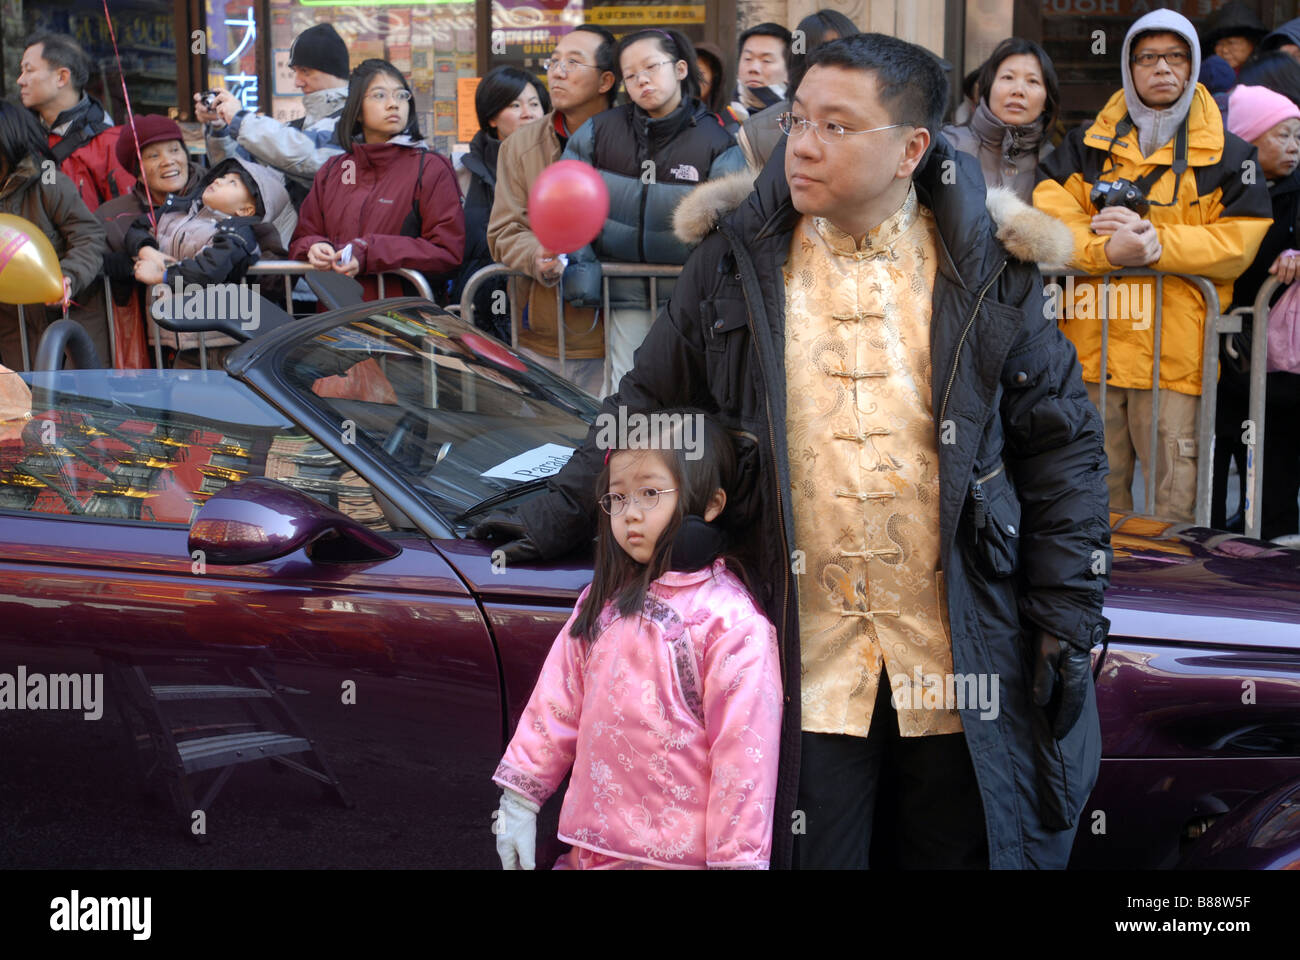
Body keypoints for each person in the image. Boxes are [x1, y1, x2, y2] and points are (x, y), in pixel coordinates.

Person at [474, 33, 1110, 870]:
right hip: (805, 652)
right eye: (800, 118)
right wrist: (555, 513)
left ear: (911, 150)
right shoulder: (736, 263)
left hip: (958, 650)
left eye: (838, 127)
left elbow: (1061, 448)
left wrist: (1065, 613)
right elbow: (647, 405)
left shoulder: (988, 270)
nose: (803, 142)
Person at [491, 411, 782, 870]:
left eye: (650, 493)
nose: (631, 514)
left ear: (710, 503)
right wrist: (519, 802)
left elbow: (744, 761)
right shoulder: (601, 601)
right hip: (588, 852)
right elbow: (556, 703)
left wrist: (737, 862)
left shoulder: (731, 622)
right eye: (617, 498)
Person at [1034, 9, 1271, 522]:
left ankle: (1167, 604)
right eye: (1147, 57)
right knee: (1090, 497)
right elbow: (1048, 214)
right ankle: (1093, 598)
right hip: (1090, 355)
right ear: (1128, 67)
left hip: (1176, 359)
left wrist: (1158, 245)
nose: (1161, 68)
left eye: (1175, 56)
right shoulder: (1083, 146)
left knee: (1173, 504)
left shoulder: (1232, 155)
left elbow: (1239, 242)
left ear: (1192, 66)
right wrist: (1106, 253)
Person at [561, 28, 746, 395]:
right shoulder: (599, 131)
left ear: (679, 69)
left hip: (688, 297)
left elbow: (731, 225)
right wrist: (583, 266)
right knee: (624, 388)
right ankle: (615, 453)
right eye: (630, 75)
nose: (641, 79)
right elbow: (568, 201)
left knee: (680, 393)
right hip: (624, 292)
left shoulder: (717, 141)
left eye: (651, 67)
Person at [486, 26, 615, 396]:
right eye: (554, 61)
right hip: (542, 333)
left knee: (613, 445)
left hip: (618, 333)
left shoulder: (632, 140)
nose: (557, 72)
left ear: (606, 80)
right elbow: (503, 231)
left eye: (573, 63)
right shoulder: (520, 146)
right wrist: (535, 253)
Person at [290, 59, 465, 305]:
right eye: (379, 95)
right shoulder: (334, 170)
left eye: (401, 95)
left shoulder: (430, 168)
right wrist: (314, 246)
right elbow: (303, 236)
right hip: (337, 322)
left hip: (404, 325)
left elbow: (447, 252)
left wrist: (370, 251)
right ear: (358, 110)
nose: (393, 104)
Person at [1211, 85, 1300, 539]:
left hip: (1279, 364)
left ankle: (1272, 550)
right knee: (1214, 452)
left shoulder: (1297, 192)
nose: (1293, 147)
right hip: (1216, 347)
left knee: (1273, 458)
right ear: (1248, 137)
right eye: (1282, 134)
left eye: (1297, 137)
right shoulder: (1216, 185)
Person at [123, 155, 289, 360]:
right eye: (222, 177)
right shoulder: (178, 211)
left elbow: (208, 270)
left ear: (245, 210)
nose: (218, 180)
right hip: (174, 336)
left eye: (232, 183)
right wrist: (147, 251)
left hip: (221, 340)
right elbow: (137, 229)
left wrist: (162, 275)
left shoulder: (236, 232)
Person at [196, 22, 350, 243]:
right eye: (295, 72)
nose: (297, 81)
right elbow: (241, 170)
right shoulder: (292, 131)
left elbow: (311, 154)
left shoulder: (355, 122)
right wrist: (219, 126)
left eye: (305, 71)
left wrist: (240, 118)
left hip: (339, 254)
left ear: (332, 69)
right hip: (297, 253)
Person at [0, 101, 106, 371]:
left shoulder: (48, 183)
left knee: (79, 410)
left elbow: (89, 236)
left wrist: (68, 276)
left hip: (69, 328)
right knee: (27, 411)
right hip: (15, 338)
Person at [98, 115, 205, 368]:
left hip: (214, 341)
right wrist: (129, 265)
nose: (168, 161)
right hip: (146, 348)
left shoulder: (216, 195)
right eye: (153, 156)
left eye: (174, 149)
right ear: (137, 168)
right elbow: (92, 261)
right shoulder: (112, 215)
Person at [453, 67, 549, 342]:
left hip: (537, 313)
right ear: (492, 116)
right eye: (514, 105)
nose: (528, 113)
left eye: (534, 104)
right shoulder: (463, 172)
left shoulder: (557, 166)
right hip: (473, 311)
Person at [16, 32, 134, 212]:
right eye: (21, 71)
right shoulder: (17, 135)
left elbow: (124, 220)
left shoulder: (110, 142)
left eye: (29, 70)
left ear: (62, 77)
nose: (20, 80)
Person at [737, 9, 857, 170]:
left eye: (839, 58)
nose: (754, 68)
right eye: (820, 59)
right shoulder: (756, 133)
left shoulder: (881, 116)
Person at [942, 37, 1059, 203]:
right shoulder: (946, 145)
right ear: (988, 89)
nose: (1018, 90)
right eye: (1008, 77)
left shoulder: (1054, 163)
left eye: (1032, 81)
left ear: (1046, 101)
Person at [727, 22, 791, 129]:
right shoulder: (721, 120)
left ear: (789, 72)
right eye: (748, 58)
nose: (754, 68)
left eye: (766, 60)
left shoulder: (798, 123)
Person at [1200, 2, 1268, 73]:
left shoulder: (1264, 74)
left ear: (1252, 43)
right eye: (1219, 44)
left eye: (1231, 43)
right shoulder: (1209, 75)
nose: (1224, 50)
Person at [694, 41, 730, 122]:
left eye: (700, 73)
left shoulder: (728, 121)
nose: (693, 78)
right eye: (689, 72)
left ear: (714, 74)